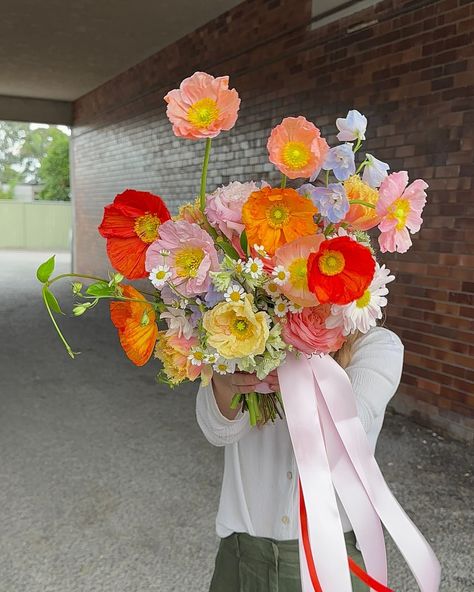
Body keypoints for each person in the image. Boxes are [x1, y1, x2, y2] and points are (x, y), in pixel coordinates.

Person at [196, 325, 404, 592]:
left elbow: (349, 430)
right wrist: (225, 382)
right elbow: (219, 431)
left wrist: (300, 381)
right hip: (243, 555)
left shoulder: (378, 345)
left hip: (332, 562)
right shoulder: (246, 328)